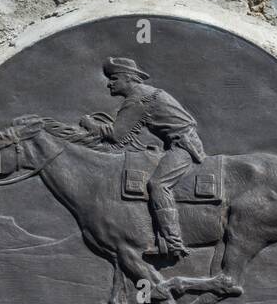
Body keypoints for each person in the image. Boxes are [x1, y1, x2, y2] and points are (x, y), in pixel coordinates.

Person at [87, 56, 206, 259]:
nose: (109, 83)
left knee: (158, 184)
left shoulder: (138, 97)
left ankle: (173, 242)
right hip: (174, 143)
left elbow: (117, 135)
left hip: (184, 146)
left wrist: (89, 124)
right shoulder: (147, 94)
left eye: (114, 78)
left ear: (128, 78)